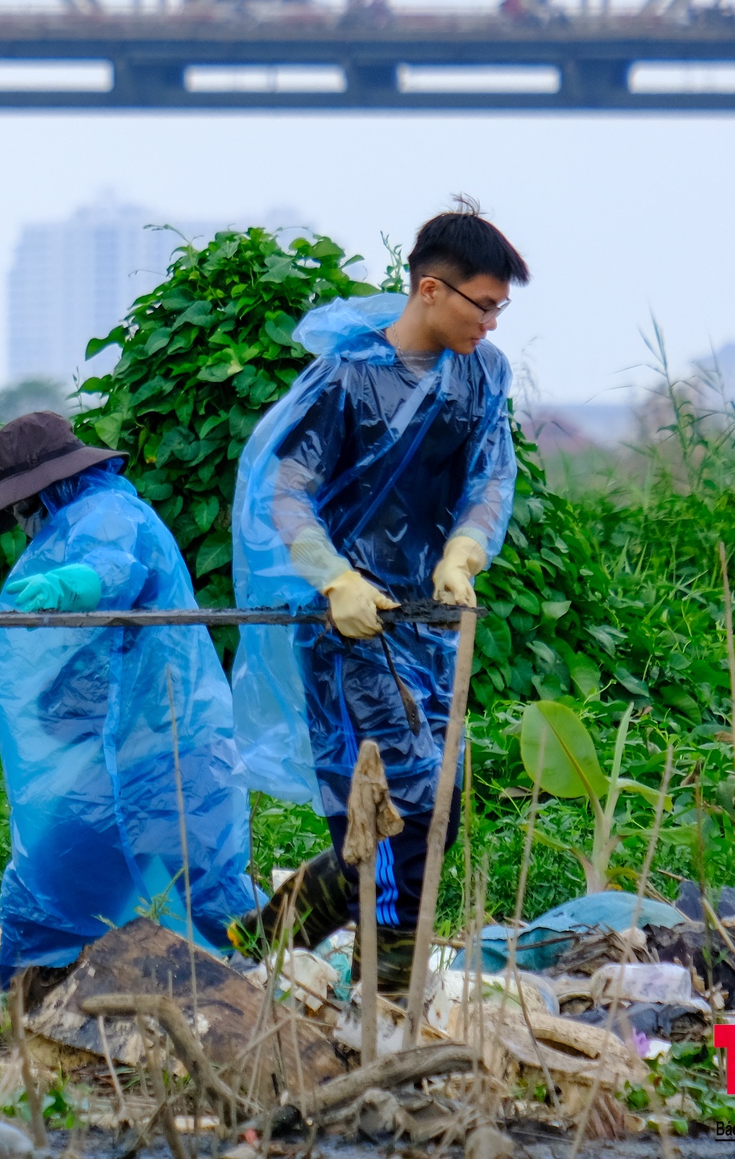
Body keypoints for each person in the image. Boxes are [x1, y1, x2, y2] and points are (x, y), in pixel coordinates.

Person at [221, 203, 525, 984]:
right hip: (348, 626)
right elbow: (287, 492)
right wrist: (335, 577)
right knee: (385, 811)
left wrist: (463, 550)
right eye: (483, 305)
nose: (491, 323)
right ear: (431, 288)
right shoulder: (348, 376)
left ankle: (275, 925)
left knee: (441, 806)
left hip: (426, 625)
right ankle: (384, 988)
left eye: (500, 309)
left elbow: (490, 475)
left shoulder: (482, 376)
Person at [0, 411, 260, 992]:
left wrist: (70, 584)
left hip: (173, 743)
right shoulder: (77, 522)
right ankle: (26, 995)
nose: (24, 522)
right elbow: (100, 656)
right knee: (54, 873)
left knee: (211, 889)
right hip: (122, 749)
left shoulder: (108, 512)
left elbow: (115, 569)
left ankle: (291, 988)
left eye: (25, 507)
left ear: (46, 490)